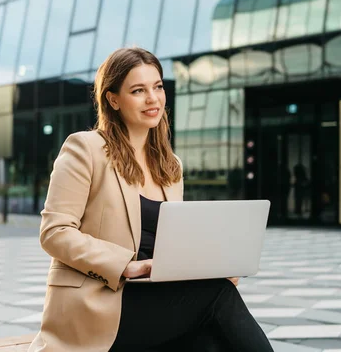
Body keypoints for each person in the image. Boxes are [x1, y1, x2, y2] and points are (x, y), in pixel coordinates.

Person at [28, 47, 274, 352]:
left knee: (210, 342)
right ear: (113, 99)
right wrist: (125, 265)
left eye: (157, 87)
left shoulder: (171, 167)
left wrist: (208, 265)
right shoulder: (84, 149)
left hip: (154, 299)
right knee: (218, 295)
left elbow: (171, 245)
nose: (153, 98)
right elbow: (54, 233)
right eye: (138, 90)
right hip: (98, 305)